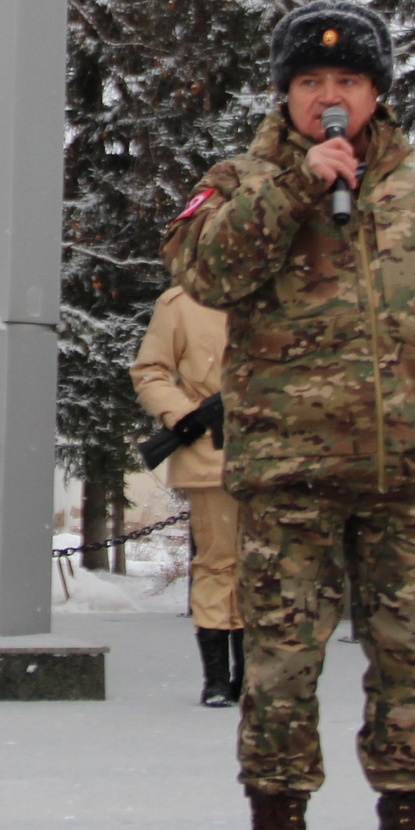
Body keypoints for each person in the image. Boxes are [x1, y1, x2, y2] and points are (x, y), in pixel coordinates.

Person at [162, 0, 415, 830]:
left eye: (348, 83)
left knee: (412, 664)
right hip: (291, 473)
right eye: (311, 83)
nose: (330, 98)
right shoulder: (239, 177)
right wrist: (296, 186)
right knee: (282, 666)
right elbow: (204, 273)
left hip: (407, 471)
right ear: (286, 93)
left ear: (377, 93)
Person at [131, 286, 240, 707]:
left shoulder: (279, 287)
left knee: (263, 568)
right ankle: (216, 680)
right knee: (218, 564)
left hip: (274, 453)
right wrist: (186, 417)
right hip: (210, 454)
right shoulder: (182, 302)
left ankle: (250, 678)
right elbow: (150, 372)